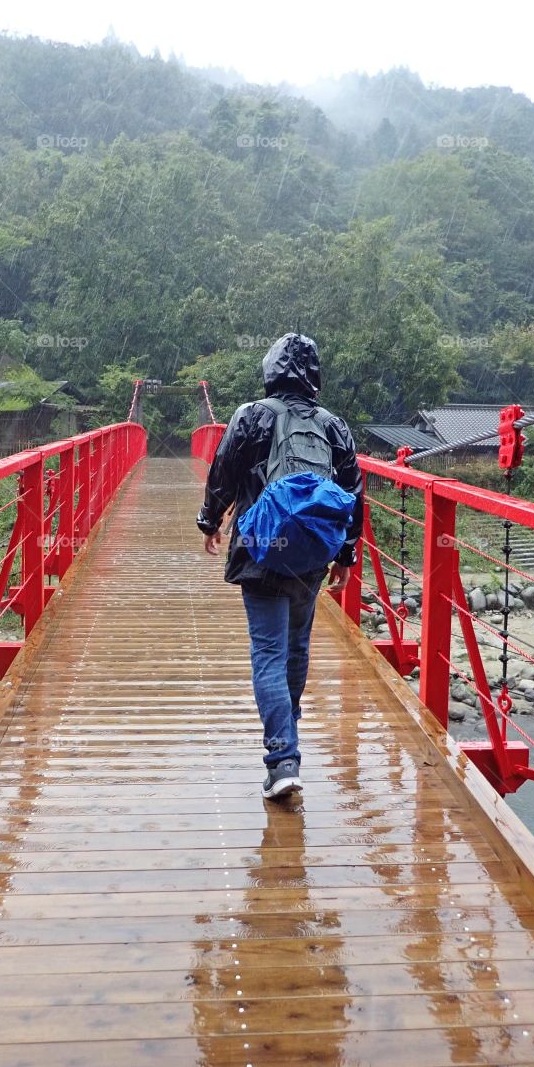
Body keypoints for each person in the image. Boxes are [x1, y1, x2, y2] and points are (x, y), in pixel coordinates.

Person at [197, 333, 363, 799]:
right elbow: (354, 492)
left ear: (270, 370)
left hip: (260, 548)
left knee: (268, 652)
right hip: (310, 555)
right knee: (296, 649)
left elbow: (223, 472)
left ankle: (282, 759)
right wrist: (346, 553)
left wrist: (210, 521)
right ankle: (287, 735)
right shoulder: (335, 426)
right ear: (314, 376)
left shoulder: (251, 415)